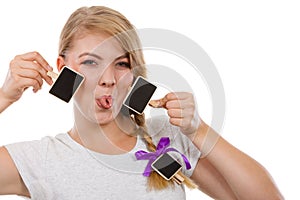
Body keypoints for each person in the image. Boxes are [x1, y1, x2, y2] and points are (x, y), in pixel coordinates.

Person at [0, 5, 283, 200]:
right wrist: (3, 97)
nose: (107, 78)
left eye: (121, 64)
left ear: (134, 74)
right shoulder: (42, 159)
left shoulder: (167, 138)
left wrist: (198, 130)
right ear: (62, 67)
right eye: (90, 61)